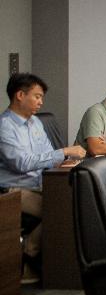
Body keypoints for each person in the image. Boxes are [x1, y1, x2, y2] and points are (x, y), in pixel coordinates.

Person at [0, 73, 87, 282]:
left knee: (77, 202)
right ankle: (29, 252)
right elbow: (21, 163)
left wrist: (63, 160)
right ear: (20, 95)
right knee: (62, 208)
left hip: (41, 183)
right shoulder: (5, 126)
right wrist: (63, 152)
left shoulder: (36, 123)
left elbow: (47, 155)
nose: (41, 102)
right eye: (37, 96)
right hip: (13, 190)